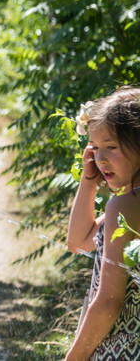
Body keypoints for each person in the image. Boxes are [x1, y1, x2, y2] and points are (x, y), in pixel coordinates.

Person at [66, 88, 140, 360]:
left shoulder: (125, 206)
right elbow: (80, 241)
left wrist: (72, 358)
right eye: (95, 148)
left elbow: (109, 301)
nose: (101, 159)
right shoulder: (127, 203)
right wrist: (89, 180)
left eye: (111, 147)